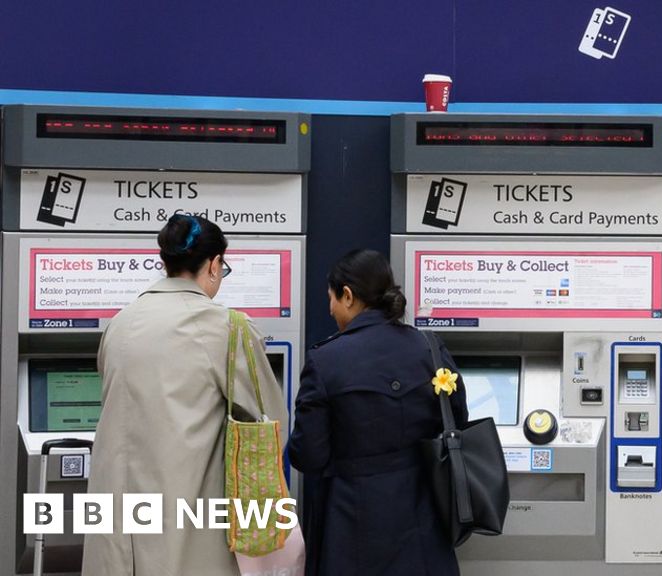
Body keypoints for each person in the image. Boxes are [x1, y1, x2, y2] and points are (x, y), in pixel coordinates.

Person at [82, 215, 288, 576]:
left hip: (117, 523)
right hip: (189, 525)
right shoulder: (227, 327)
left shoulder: (120, 323)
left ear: (165, 263)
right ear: (213, 265)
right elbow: (270, 425)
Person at [289, 249, 468, 576]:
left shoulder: (325, 361)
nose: (330, 310)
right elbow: (459, 419)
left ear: (347, 295)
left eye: (331, 298)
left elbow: (308, 456)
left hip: (349, 526)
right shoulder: (428, 347)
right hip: (424, 518)